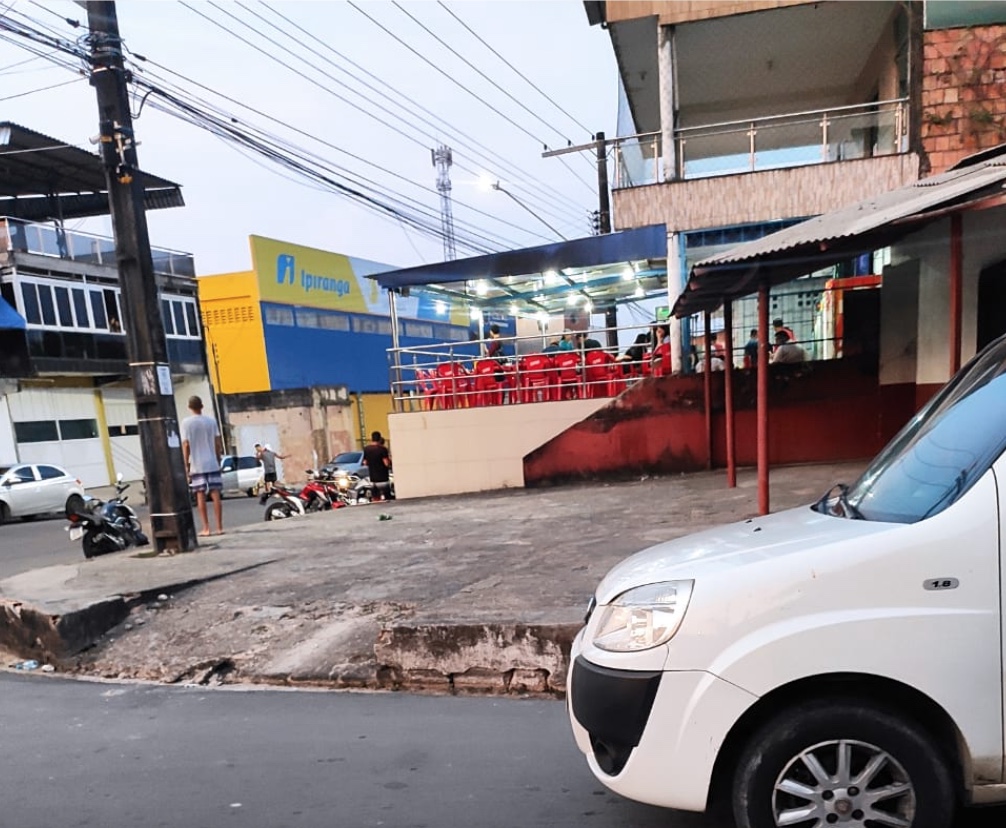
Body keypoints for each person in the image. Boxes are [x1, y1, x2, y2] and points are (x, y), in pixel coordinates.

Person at [181, 395, 224, 537]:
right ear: (202, 406)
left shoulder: (186, 423)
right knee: (215, 494)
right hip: (212, 462)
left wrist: (186, 464)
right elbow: (218, 442)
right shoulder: (211, 421)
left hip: (197, 464)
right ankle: (219, 527)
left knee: (200, 495)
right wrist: (218, 460)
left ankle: (206, 528)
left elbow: (186, 445)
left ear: (189, 407)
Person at [363, 430, 391, 502]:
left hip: (373, 478)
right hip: (383, 478)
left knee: (375, 499)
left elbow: (365, 462)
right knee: (387, 499)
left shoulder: (366, 449)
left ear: (372, 438)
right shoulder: (383, 449)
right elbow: (386, 463)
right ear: (379, 438)